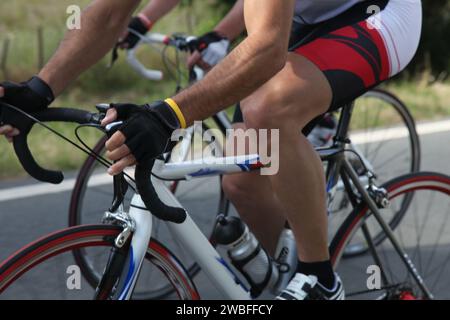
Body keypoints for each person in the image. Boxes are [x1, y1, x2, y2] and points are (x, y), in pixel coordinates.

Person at [0, 0, 422, 300]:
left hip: (380, 12)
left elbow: (268, 47)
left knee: (267, 111)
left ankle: (321, 279)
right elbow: (110, 13)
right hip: (308, 18)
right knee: (240, 182)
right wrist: (39, 89)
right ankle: (281, 277)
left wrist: (167, 116)